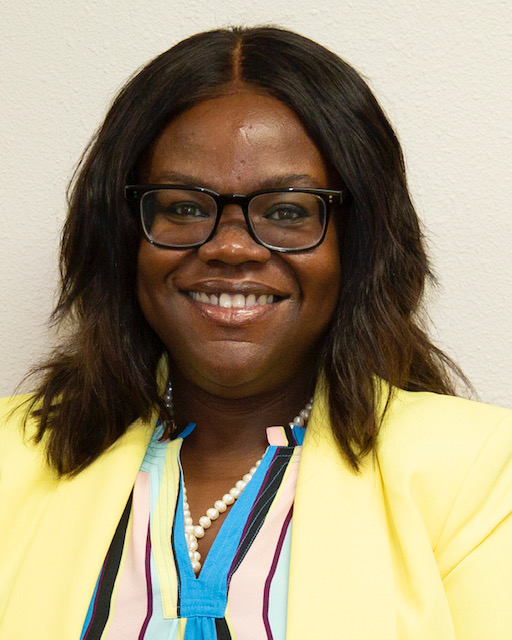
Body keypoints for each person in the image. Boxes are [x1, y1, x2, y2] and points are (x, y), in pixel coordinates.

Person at [0, 26, 511, 640]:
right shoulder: (10, 458)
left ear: (360, 242)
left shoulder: (479, 473)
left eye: (288, 211)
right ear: (122, 235)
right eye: (184, 206)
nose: (232, 247)